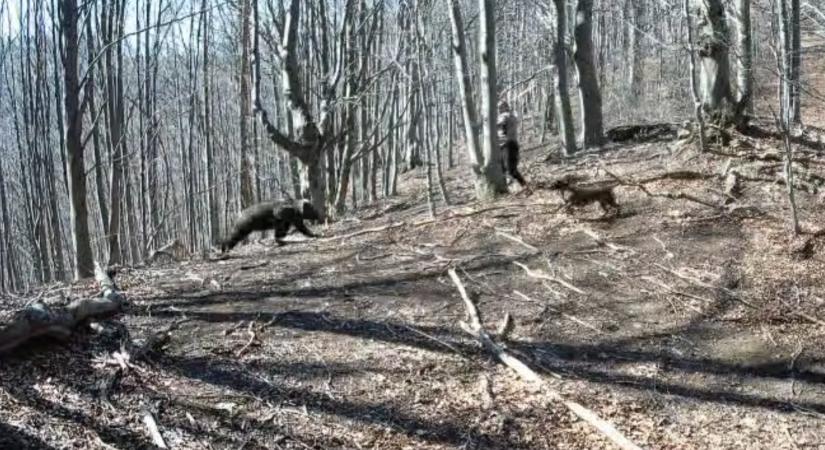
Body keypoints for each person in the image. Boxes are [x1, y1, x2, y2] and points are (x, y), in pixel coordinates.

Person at [496, 100, 527, 187]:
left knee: (511, 170)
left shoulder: (507, 116)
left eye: (501, 107)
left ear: (506, 107)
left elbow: (497, 123)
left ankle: (525, 186)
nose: (499, 109)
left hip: (509, 145)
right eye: (498, 108)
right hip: (502, 146)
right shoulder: (506, 116)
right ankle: (505, 190)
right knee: (501, 169)